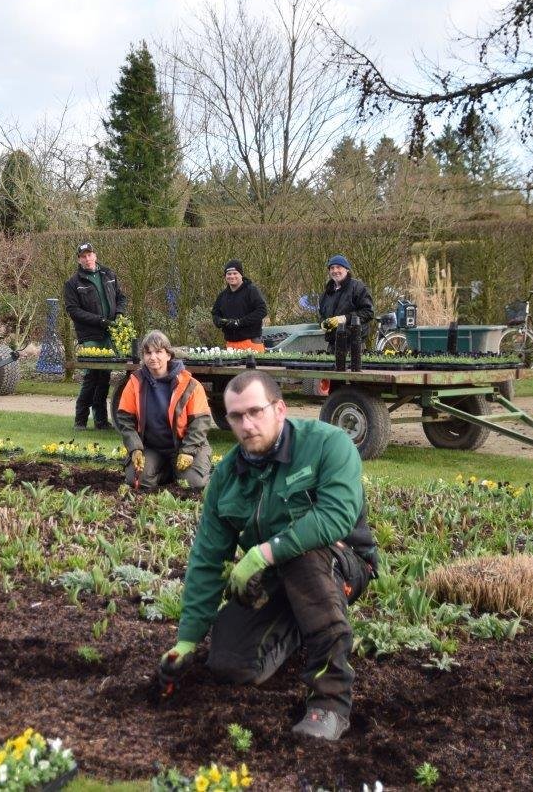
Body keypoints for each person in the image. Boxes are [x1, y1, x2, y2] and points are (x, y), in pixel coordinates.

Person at [157, 371, 378, 742]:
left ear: (279, 409)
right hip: (281, 575)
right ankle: (302, 626)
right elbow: (207, 559)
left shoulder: (328, 444)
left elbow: (336, 516)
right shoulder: (227, 477)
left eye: (255, 412)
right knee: (230, 664)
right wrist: (187, 640)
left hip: (344, 562)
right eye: (236, 416)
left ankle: (331, 701)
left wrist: (262, 554)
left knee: (300, 557)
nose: (247, 424)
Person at [114, 330, 213, 491]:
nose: (153, 357)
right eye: (148, 353)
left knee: (193, 484)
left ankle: (180, 469)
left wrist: (188, 450)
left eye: (158, 352)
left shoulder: (190, 384)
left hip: (184, 445)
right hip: (151, 447)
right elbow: (125, 420)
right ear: (143, 357)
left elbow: (200, 422)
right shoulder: (134, 383)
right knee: (137, 481)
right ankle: (168, 470)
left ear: (168, 355)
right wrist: (135, 448)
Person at [63, 242, 128, 431]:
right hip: (90, 334)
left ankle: (101, 420)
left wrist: (119, 314)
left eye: (89, 255)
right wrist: (99, 320)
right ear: (79, 259)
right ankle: (80, 419)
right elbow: (73, 310)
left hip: (109, 332)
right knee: (92, 375)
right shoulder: (73, 283)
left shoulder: (109, 275)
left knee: (105, 376)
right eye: (83, 256)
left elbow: (121, 298)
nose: (87, 259)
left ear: (95, 256)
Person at [316, 255, 374, 352]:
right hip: (332, 345)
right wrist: (323, 323)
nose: (335, 271)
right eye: (332, 268)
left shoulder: (357, 288)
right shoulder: (326, 293)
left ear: (347, 269)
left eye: (339, 267)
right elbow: (322, 314)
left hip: (354, 345)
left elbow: (368, 313)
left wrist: (344, 318)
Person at [212, 260, 269, 352]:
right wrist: (218, 321)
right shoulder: (222, 295)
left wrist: (239, 322)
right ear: (225, 276)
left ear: (241, 274)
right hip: (230, 345)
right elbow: (215, 313)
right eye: (229, 274)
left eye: (235, 273)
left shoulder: (251, 291)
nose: (232, 276)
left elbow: (262, 310)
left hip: (251, 343)